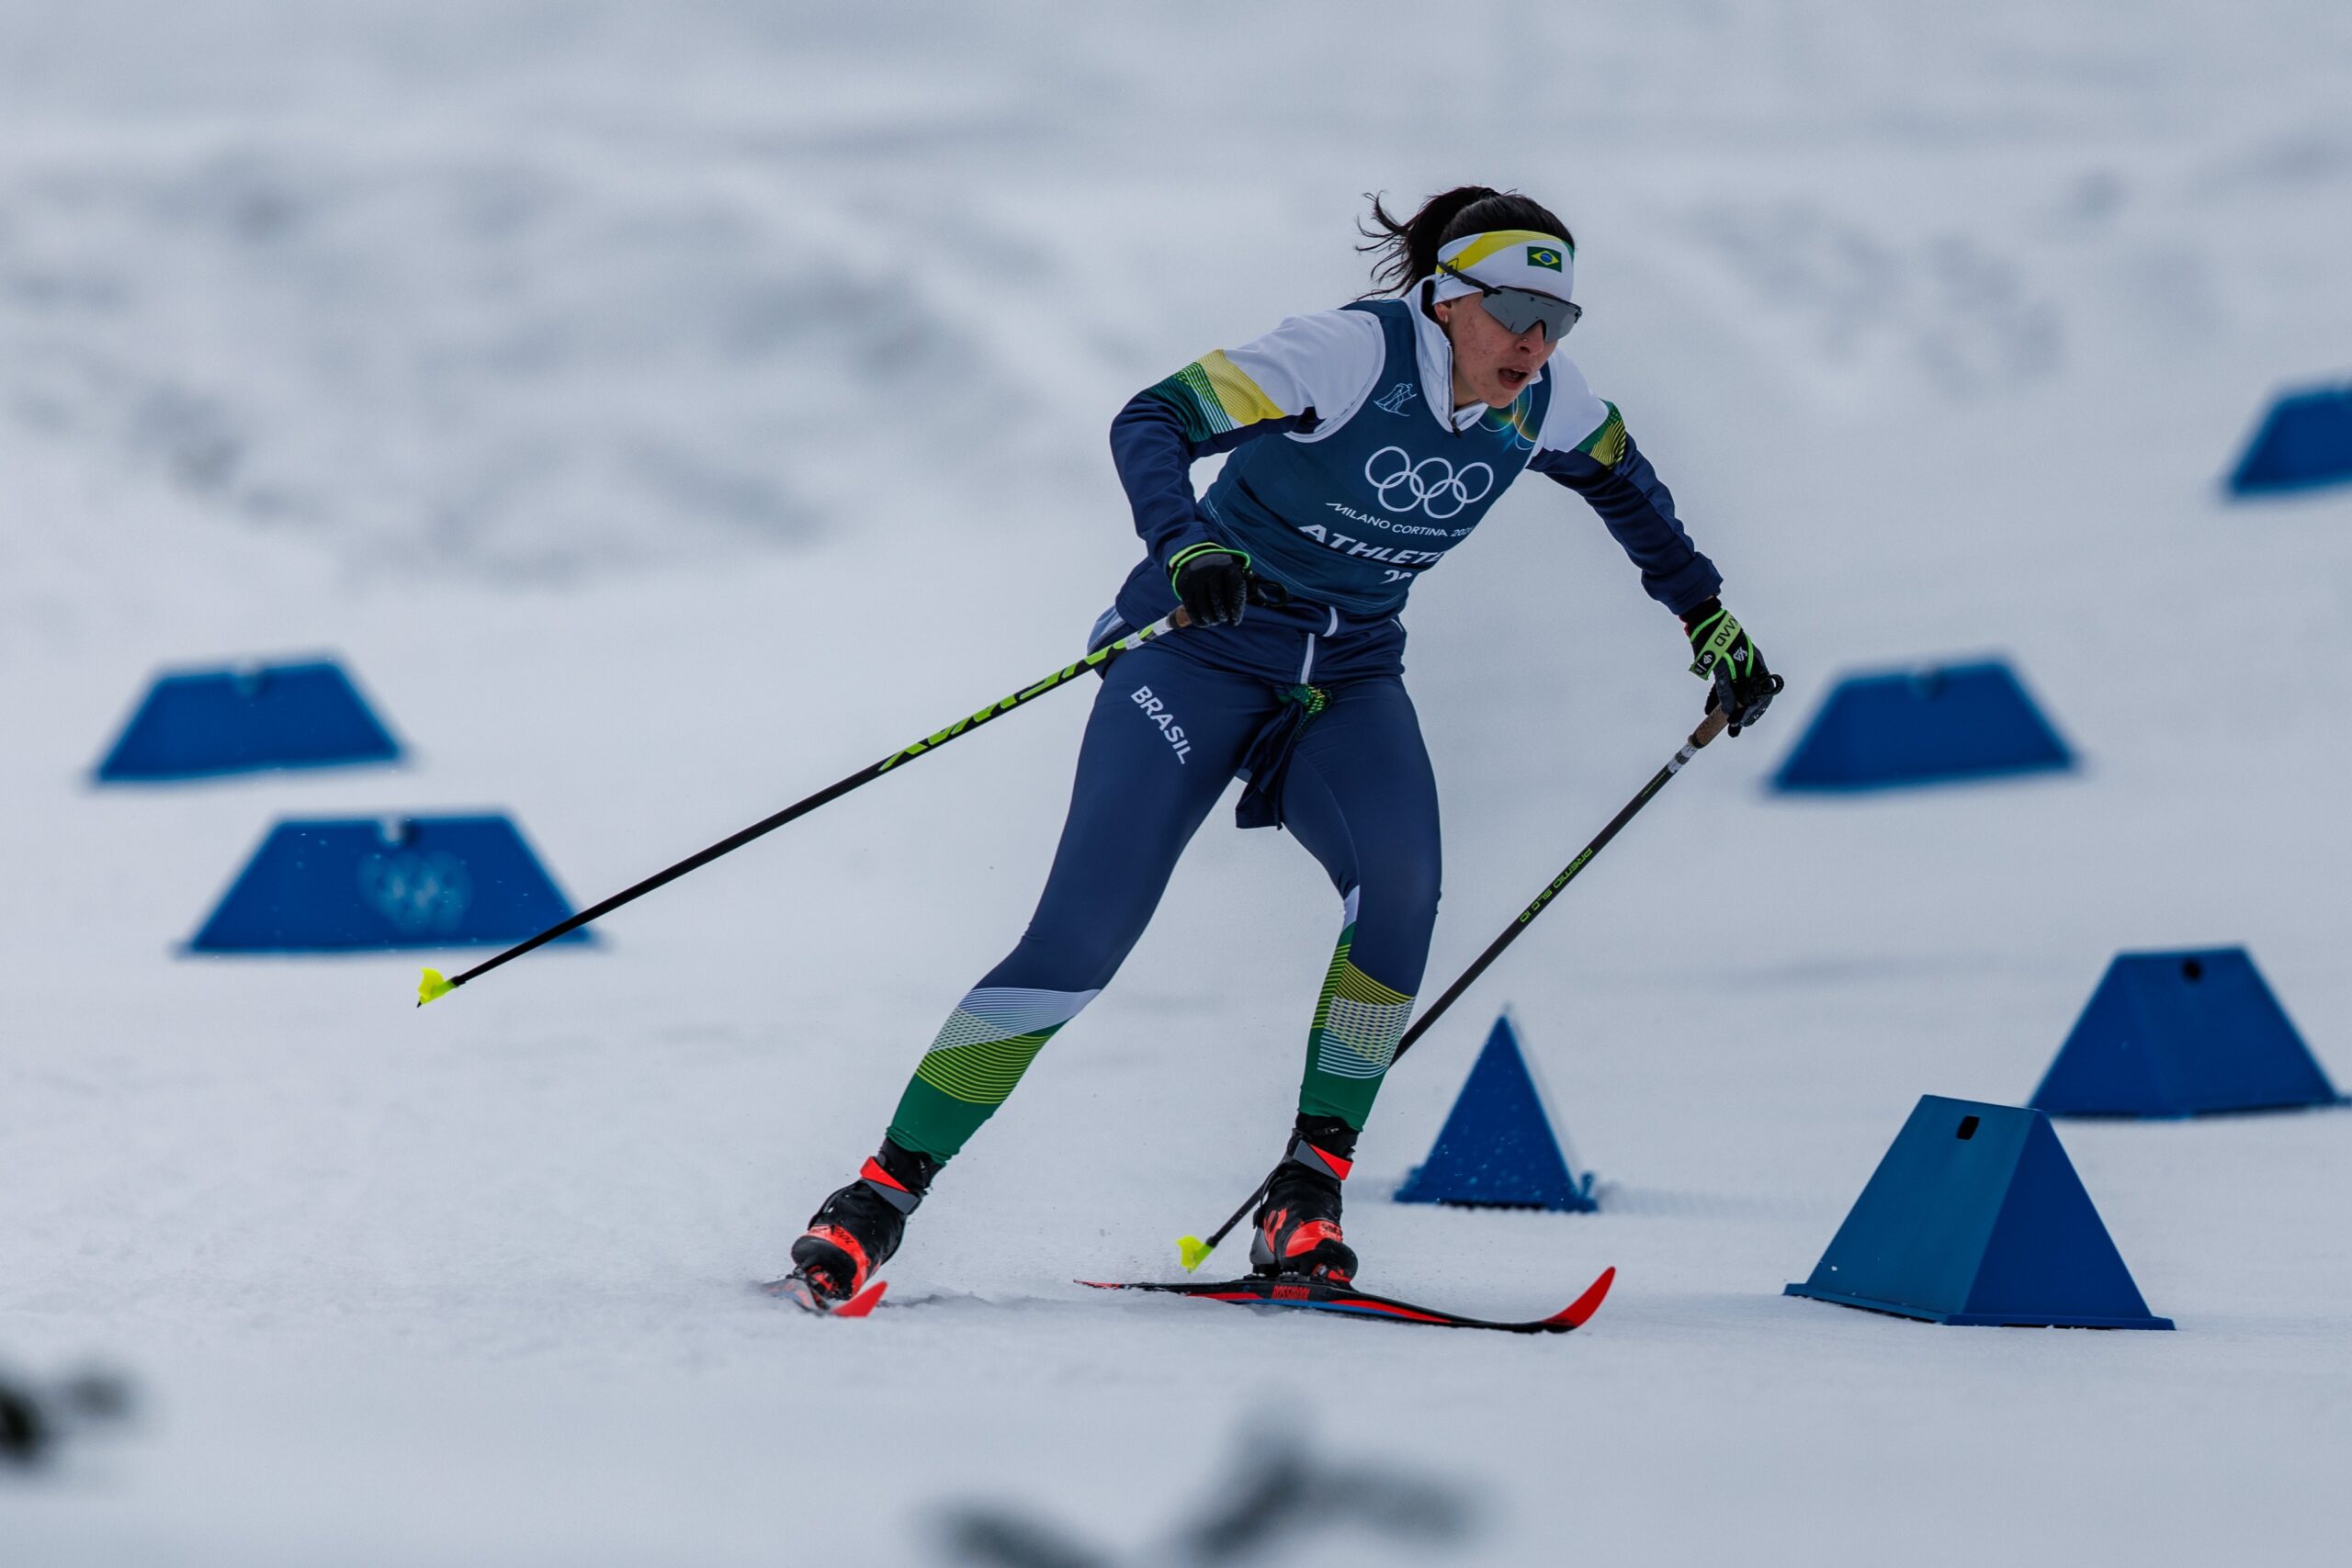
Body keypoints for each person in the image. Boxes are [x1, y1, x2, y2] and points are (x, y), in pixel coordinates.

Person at [779, 185, 1780, 1308]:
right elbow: (1151, 419)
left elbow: (1631, 495)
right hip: (1196, 656)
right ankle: (876, 1197)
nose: (1536, 341)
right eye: (1512, 310)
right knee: (1080, 936)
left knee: (1401, 894)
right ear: (1449, 301)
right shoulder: (1344, 354)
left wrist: (1708, 620)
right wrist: (1185, 544)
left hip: (1347, 677)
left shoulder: (1547, 401)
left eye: (1558, 317)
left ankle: (1307, 1194)